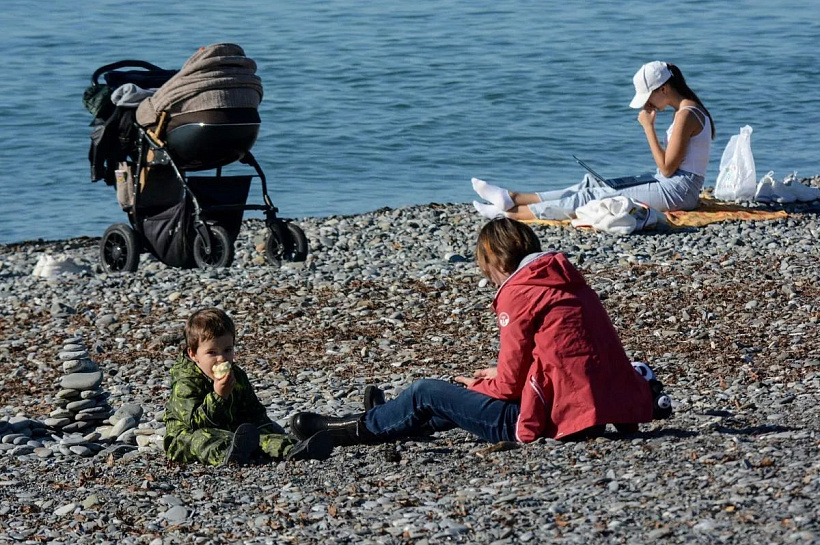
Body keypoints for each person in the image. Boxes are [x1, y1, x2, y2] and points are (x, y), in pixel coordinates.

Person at [289, 218, 669, 448]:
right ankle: (391, 417)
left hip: (546, 419)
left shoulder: (518, 293)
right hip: (592, 406)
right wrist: (491, 377)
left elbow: (507, 388)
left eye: (485, 268)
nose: (486, 277)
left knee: (428, 391)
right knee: (451, 400)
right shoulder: (566, 281)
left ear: (497, 261)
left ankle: (355, 429)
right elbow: (560, 355)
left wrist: (481, 385)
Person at [472, 61, 714, 221]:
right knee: (592, 184)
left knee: (592, 198)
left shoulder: (686, 115)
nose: (647, 105)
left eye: (648, 97)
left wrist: (648, 128)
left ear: (663, 89)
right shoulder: (687, 110)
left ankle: (511, 214)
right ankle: (513, 197)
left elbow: (667, 168)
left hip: (678, 192)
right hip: (672, 185)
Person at [164, 307, 333, 466]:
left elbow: (254, 413)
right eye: (212, 353)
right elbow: (195, 423)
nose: (221, 358)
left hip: (235, 433)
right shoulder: (186, 382)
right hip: (186, 436)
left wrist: (270, 433)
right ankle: (229, 454)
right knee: (201, 439)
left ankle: (294, 449)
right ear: (193, 354)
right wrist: (218, 396)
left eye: (227, 350)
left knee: (261, 433)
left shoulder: (237, 376)